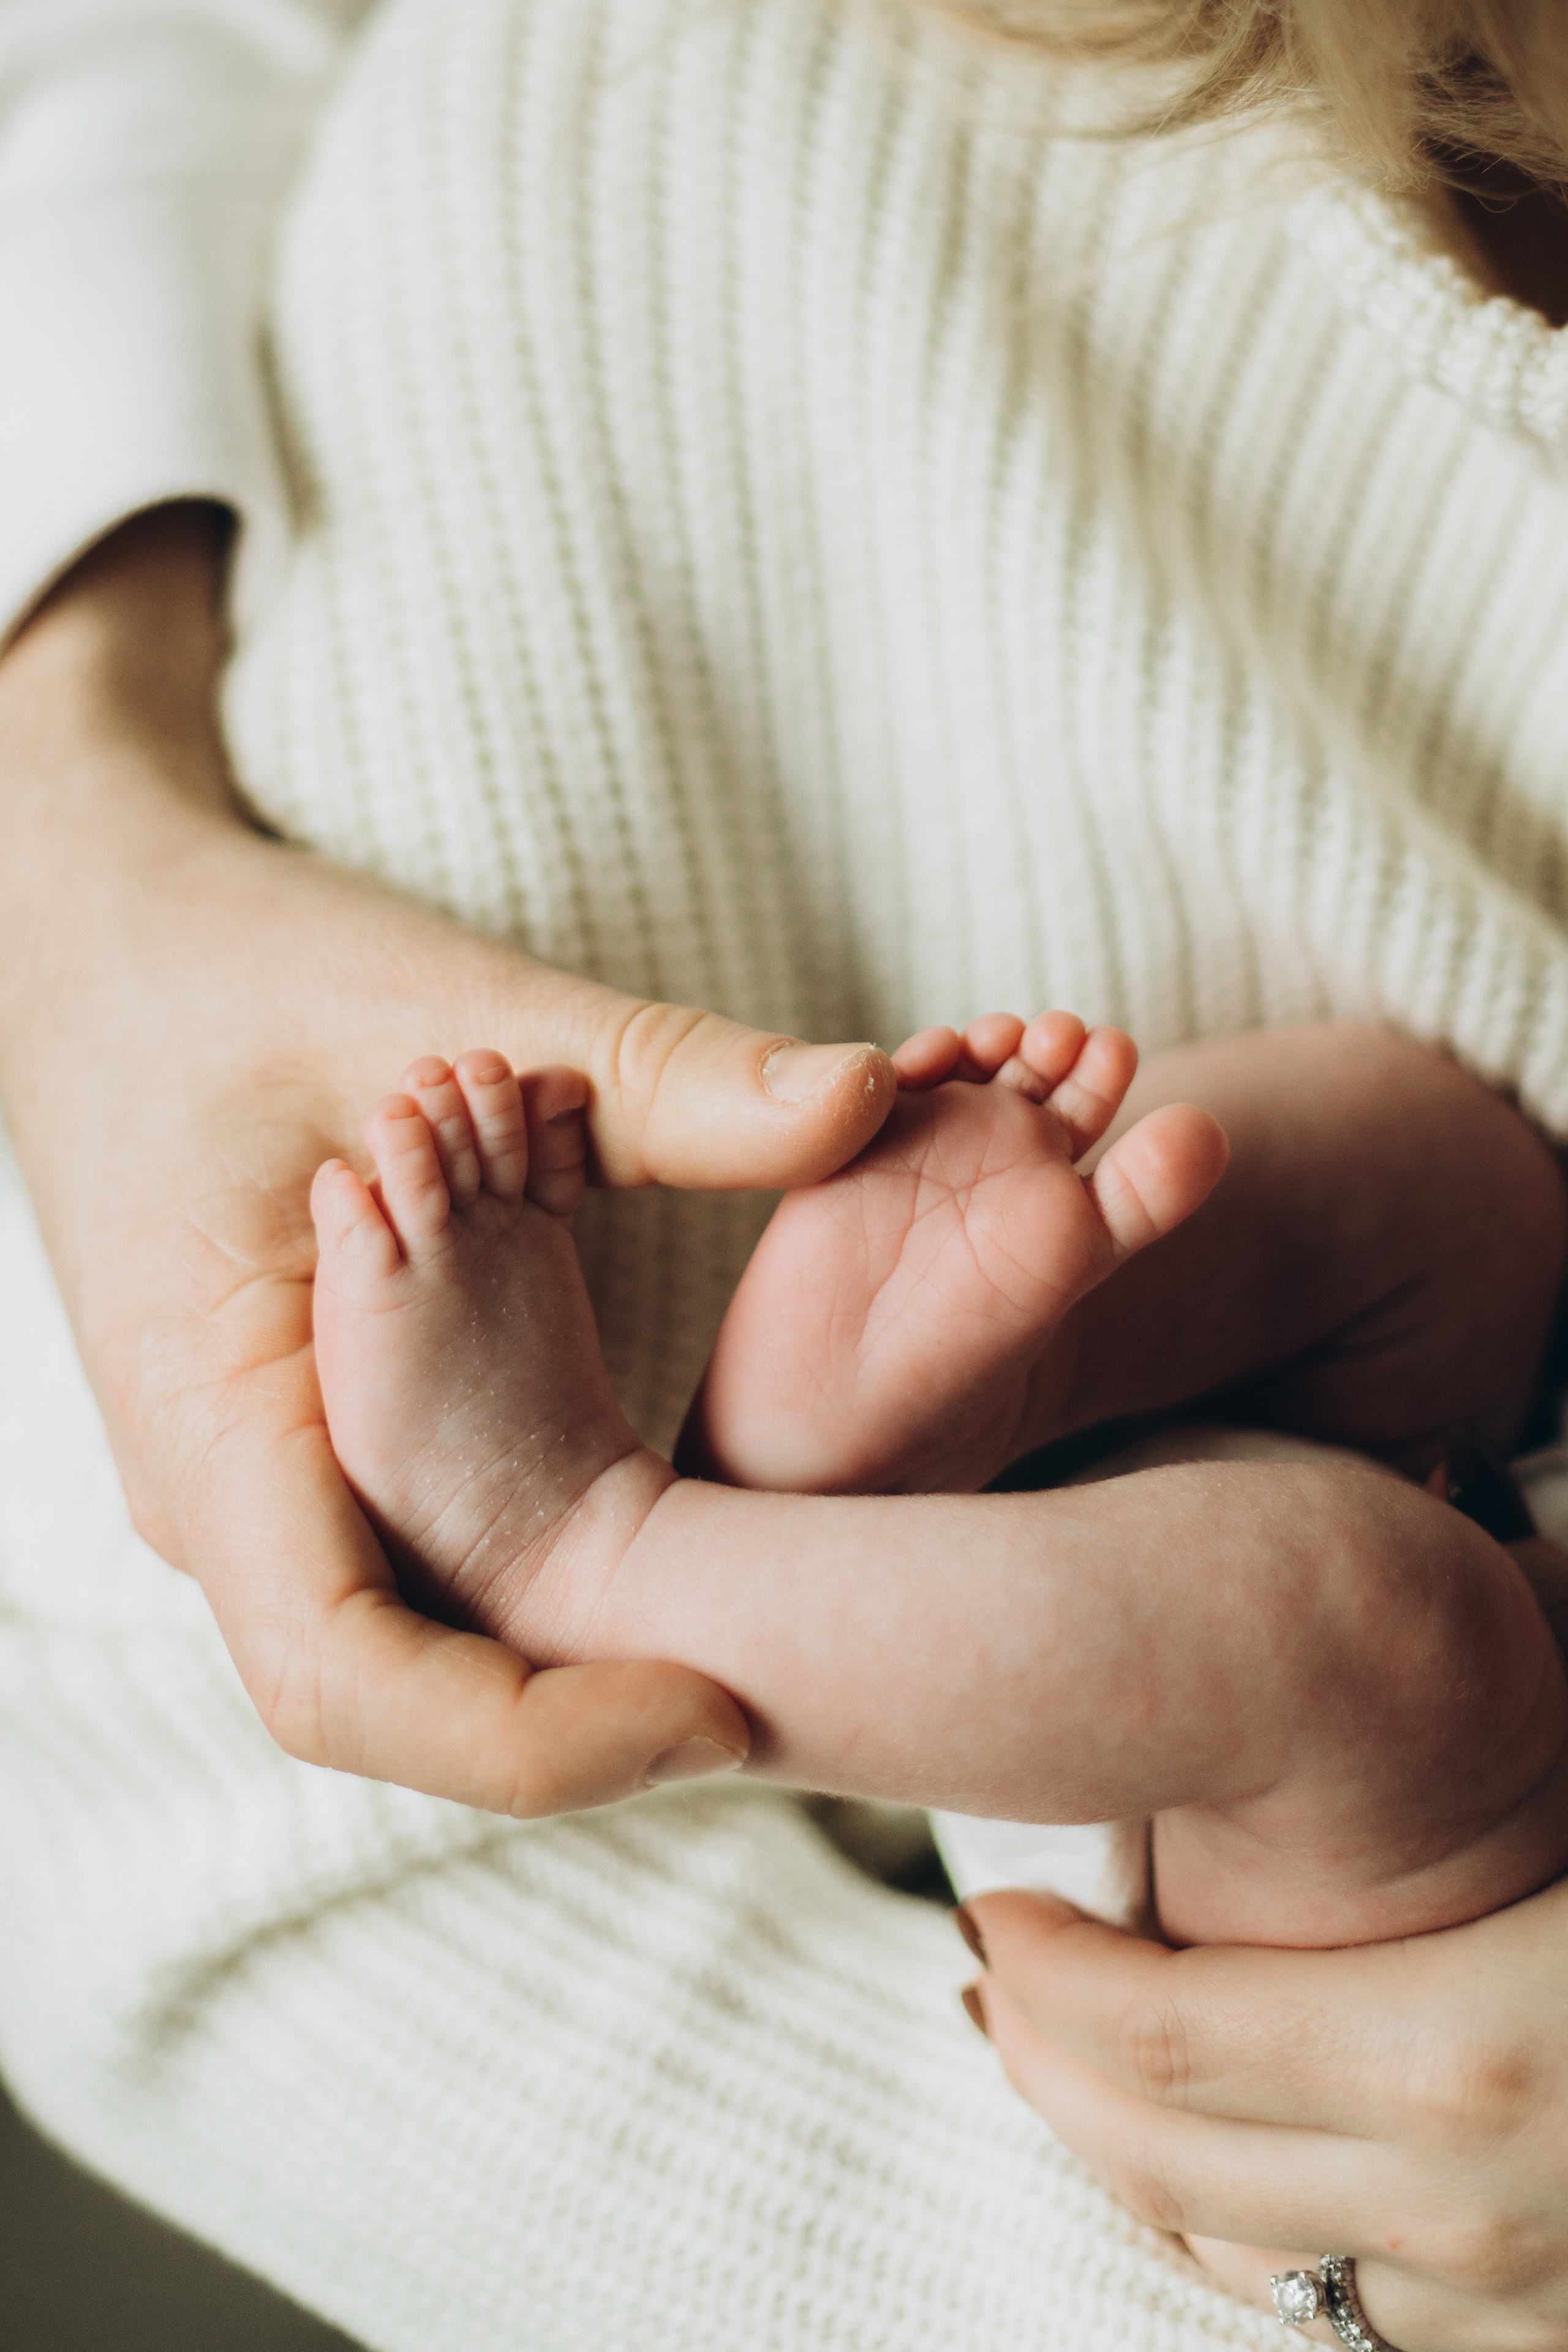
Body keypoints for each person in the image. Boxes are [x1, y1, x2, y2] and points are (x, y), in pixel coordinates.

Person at [4, 1, 1568, 2347]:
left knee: (1370, 1641)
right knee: (1425, 1177)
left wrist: (1342, 2307)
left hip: (1318, 1931)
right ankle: (927, 1438)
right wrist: (67, 801)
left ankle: (606, 1545)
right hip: (1460, 1376)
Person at [310, 1019, 1568, 1952]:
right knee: (1464, 1196)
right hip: (1495, 1468)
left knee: (1381, 1631)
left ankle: (574, 1559)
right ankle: (998, 1402)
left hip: (1425, 1914)